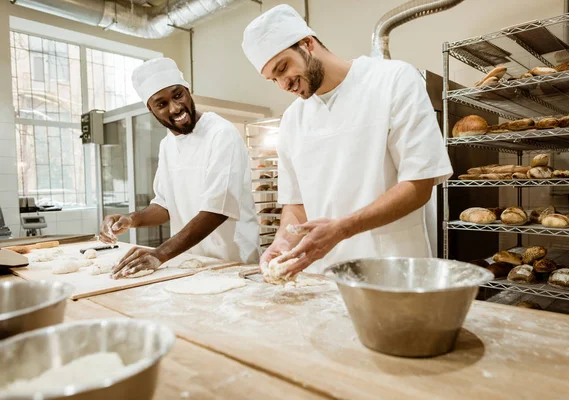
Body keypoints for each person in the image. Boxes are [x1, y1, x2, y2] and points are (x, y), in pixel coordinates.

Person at [242, 5, 453, 276]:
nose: (284, 85)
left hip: (392, 270)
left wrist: (342, 229)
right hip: (321, 276)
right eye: (274, 79)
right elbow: (296, 205)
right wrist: (283, 240)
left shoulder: (393, 80)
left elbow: (419, 184)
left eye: (283, 68)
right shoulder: (293, 120)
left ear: (307, 44)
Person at [99, 58, 259, 278]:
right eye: (162, 104)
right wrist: (131, 219)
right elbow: (165, 205)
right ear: (151, 109)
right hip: (189, 262)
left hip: (232, 262)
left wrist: (160, 254)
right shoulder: (167, 145)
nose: (175, 108)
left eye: (177, 95)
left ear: (187, 90)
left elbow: (217, 209)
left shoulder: (221, 133)